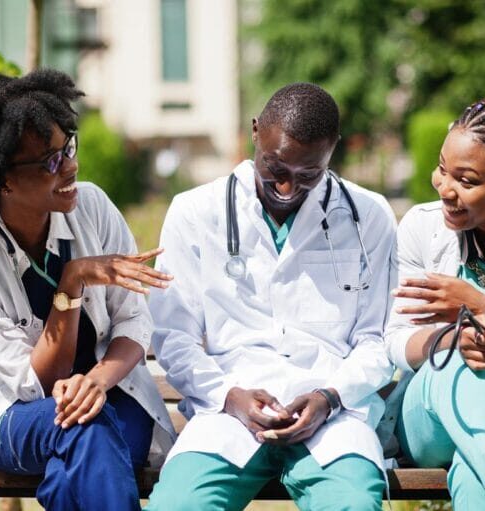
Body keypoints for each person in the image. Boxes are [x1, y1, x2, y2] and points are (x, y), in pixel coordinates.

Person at [146, 83, 396, 511]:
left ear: (332, 150)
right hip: (226, 414)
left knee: (353, 502)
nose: (285, 187)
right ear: (255, 131)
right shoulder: (194, 212)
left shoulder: (368, 216)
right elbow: (174, 336)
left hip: (332, 419)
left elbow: (378, 338)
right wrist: (229, 395)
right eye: (274, 166)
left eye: (307, 175)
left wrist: (329, 397)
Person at [0, 69, 176, 511]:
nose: (69, 165)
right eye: (49, 160)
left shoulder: (94, 207)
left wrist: (98, 381)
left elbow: (134, 319)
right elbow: (38, 383)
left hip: (112, 395)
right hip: (14, 414)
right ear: (3, 178)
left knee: (80, 461)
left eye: (68, 147)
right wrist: (72, 282)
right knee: (86, 426)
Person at [385, 99, 485, 510]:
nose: (445, 188)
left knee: (470, 475)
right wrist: (458, 335)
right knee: (457, 367)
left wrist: (475, 303)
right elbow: (394, 341)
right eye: (443, 170)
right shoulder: (422, 228)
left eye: (465, 180)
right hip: (426, 413)